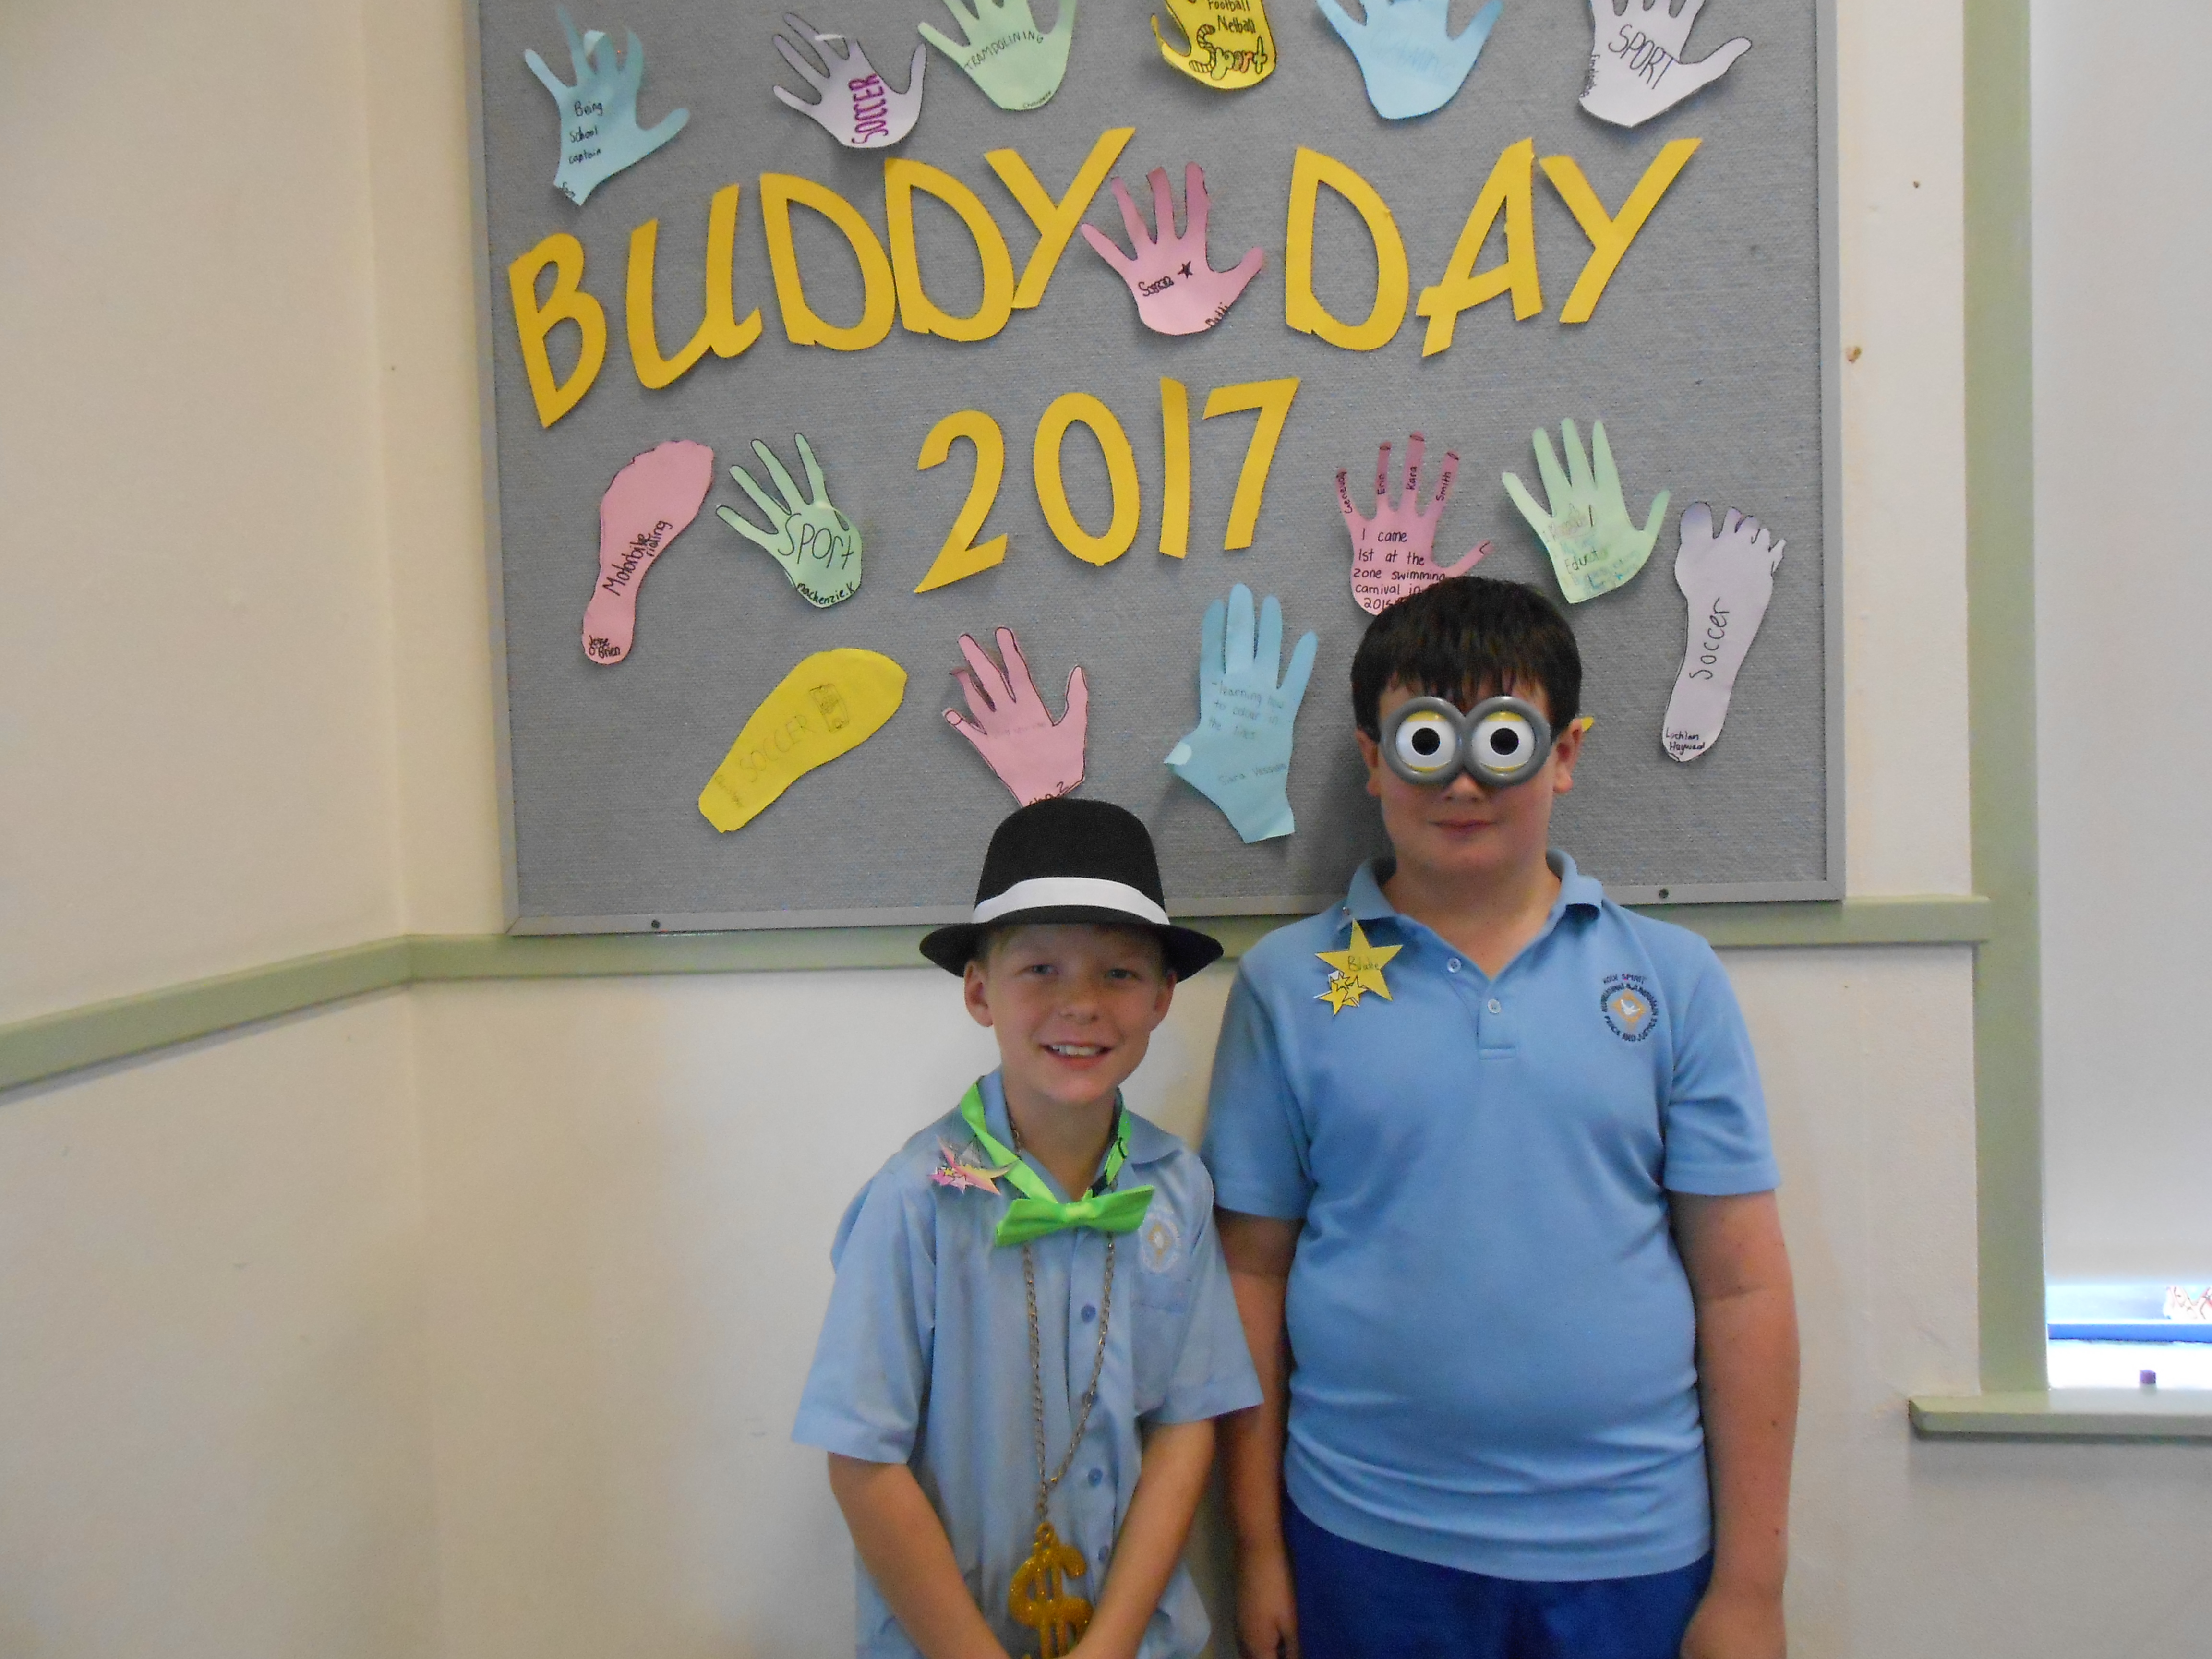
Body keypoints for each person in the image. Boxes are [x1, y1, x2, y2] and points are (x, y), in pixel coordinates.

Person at [1202, 577, 1799, 1659]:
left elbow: (1743, 1285)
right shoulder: (1288, 989)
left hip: (1634, 1547)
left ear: (1564, 753)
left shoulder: (1673, 981)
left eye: (1506, 740)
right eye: (1429, 742)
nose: (1466, 779)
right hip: (1363, 1538)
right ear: (1375, 759)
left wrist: (1753, 1586)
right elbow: (1250, 1277)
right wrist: (1256, 1549)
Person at [795, 797, 1263, 1659]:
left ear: (1164, 996)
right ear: (980, 991)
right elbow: (862, 1462)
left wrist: (1112, 1644)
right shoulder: (915, 1202)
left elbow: (1186, 1424)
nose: (1080, 1005)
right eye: (1041, 969)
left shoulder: (1178, 1190)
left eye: (1119, 974)